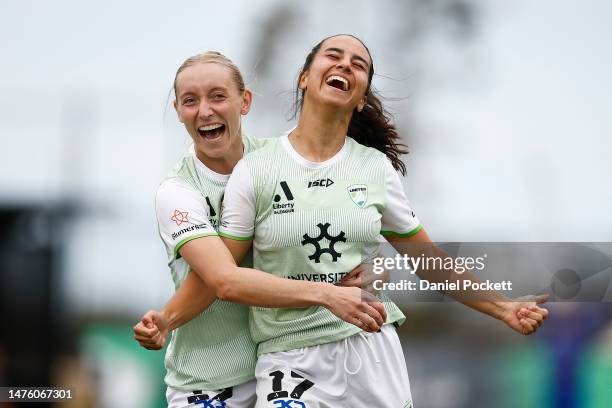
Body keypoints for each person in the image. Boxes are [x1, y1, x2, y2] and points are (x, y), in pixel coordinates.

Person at [216, 34, 549, 408]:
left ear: (360, 100)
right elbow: (226, 280)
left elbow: (428, 260)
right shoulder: (256, 168)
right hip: (291, 359)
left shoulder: (375, 169)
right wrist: (327, 294)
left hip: (372, 351)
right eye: (333, 56)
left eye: (359, 64)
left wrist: (503, 307)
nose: (345, 65)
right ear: (304, 77)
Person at [134, 51, 389, 408]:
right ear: (178, 111)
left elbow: (346, 229)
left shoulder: (278, 161)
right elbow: (223, 280)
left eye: (218, 96)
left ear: (245, 101)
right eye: (190, 101)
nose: (205, 110)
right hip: (209, 382)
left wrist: (375, 265)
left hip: (285, 365)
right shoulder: (177, 191)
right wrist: (327, 293)